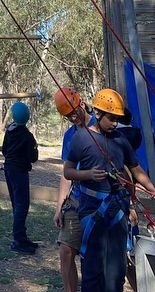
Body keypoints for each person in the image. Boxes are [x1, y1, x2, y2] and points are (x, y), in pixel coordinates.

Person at [64, 88, 155, 292]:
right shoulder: (81, 139)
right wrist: (88, 175)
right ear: (98, 113)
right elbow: (68, 171)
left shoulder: (120, 140)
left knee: (116, 271)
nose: (115, 123)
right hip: (92, 212)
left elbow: (136, 169)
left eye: (117, 118)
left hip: (117, 212)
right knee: (93, 271)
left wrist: (151, 188)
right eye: (111, 118)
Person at [53, 87, 96, 292]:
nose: (72, 117)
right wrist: (59, 207)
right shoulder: (69, 136)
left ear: (80, 103)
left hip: (100, 200)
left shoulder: (101, 125)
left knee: (100, 257)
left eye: (73, 112)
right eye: (67, 116)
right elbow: (65, 174)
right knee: (66, 251)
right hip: (76, 200)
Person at [2, 100, 39, 254]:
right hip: (19, 171)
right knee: (22, 205)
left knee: (17, 204)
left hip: (9, 168)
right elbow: (33, 157)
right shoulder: (27, 136)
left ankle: (22, 237)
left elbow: (4, 150)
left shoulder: (9, 131)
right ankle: (18, 240)